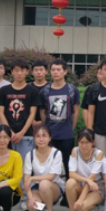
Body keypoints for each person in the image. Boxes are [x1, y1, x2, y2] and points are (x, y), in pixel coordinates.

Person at [0, 59, 41, 210]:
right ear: (12, 72)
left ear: (27, 72)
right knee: (5, 166)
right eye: (16, 70)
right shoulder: (4, 91)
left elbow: (32, 114)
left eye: (22, 70)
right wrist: (10, 132)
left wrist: (21, 132)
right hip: (6, 136)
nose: (19, 73)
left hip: (26, 135)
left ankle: (24, 198)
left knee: (24, 168)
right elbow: (1, 113)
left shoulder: (32, 91)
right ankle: (5, 197)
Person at [39, 58, 80, 186]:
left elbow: (76, 111)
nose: (55, 72)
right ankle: (51, 189)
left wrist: (71, 128)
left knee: (68, 165)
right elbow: (42, 111)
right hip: (50, 135)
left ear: (65, 72)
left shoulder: (72, 90)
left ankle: (68, 191)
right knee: (49, 165)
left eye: (58, 69)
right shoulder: (45, 91)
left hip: (66, 134)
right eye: (53, 70)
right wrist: (45, 128)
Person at [22, 125, 64, 211]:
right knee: (31, 206)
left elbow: (51, 177)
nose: (41, 139)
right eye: (38, 136)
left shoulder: (56, 153)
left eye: (44, 136)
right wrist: (30, 198)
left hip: (53, 187)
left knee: (44, 184)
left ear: (50, 138)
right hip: (37, 187)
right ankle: (41, 207)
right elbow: (26, 179)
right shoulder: (30, 155)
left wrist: (32, 178)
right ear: (34, 138)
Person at [62, 130, 105, 211]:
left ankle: (94, 206)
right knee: (70, 182)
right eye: (81, 142)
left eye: (87, 142)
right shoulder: (75, 151)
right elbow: (71, 174)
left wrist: (80, 200)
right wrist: (87, 180)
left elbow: (92, 178)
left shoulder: (98, 154)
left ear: (93, 142)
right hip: (81, 185)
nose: (84, 145)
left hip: (96, 188)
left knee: (83, 207)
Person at [30, 60, 50, 133]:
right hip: (29, 124)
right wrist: (32, 121)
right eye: (36, 70)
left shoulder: (51, 88)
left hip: (48, 124)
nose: (38, 72)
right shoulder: (27, 87)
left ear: (46, 71)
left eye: (41, 70)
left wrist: (42, 121)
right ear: (32, 72)